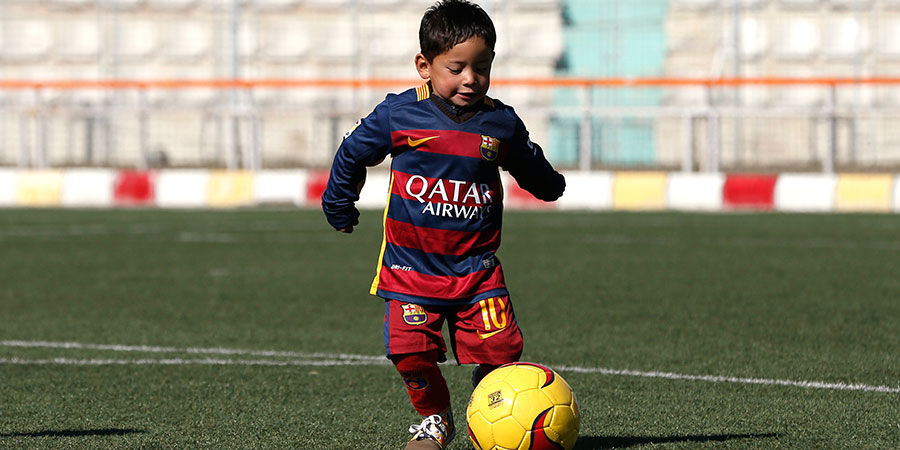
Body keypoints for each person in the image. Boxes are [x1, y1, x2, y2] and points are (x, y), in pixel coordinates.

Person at [322, 1, 565, 448]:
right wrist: (339, 204)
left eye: (482, 67)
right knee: (408, 352)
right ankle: (436, 418)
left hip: (477, 271)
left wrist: (549, 185)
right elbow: (353, 152)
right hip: (412, 270)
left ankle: (489, 407)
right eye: (456, 68)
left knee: (503, 353)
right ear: (424, 66)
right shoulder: (399, 114)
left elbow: (528, 162)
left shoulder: (500, 122)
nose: (470, 79)